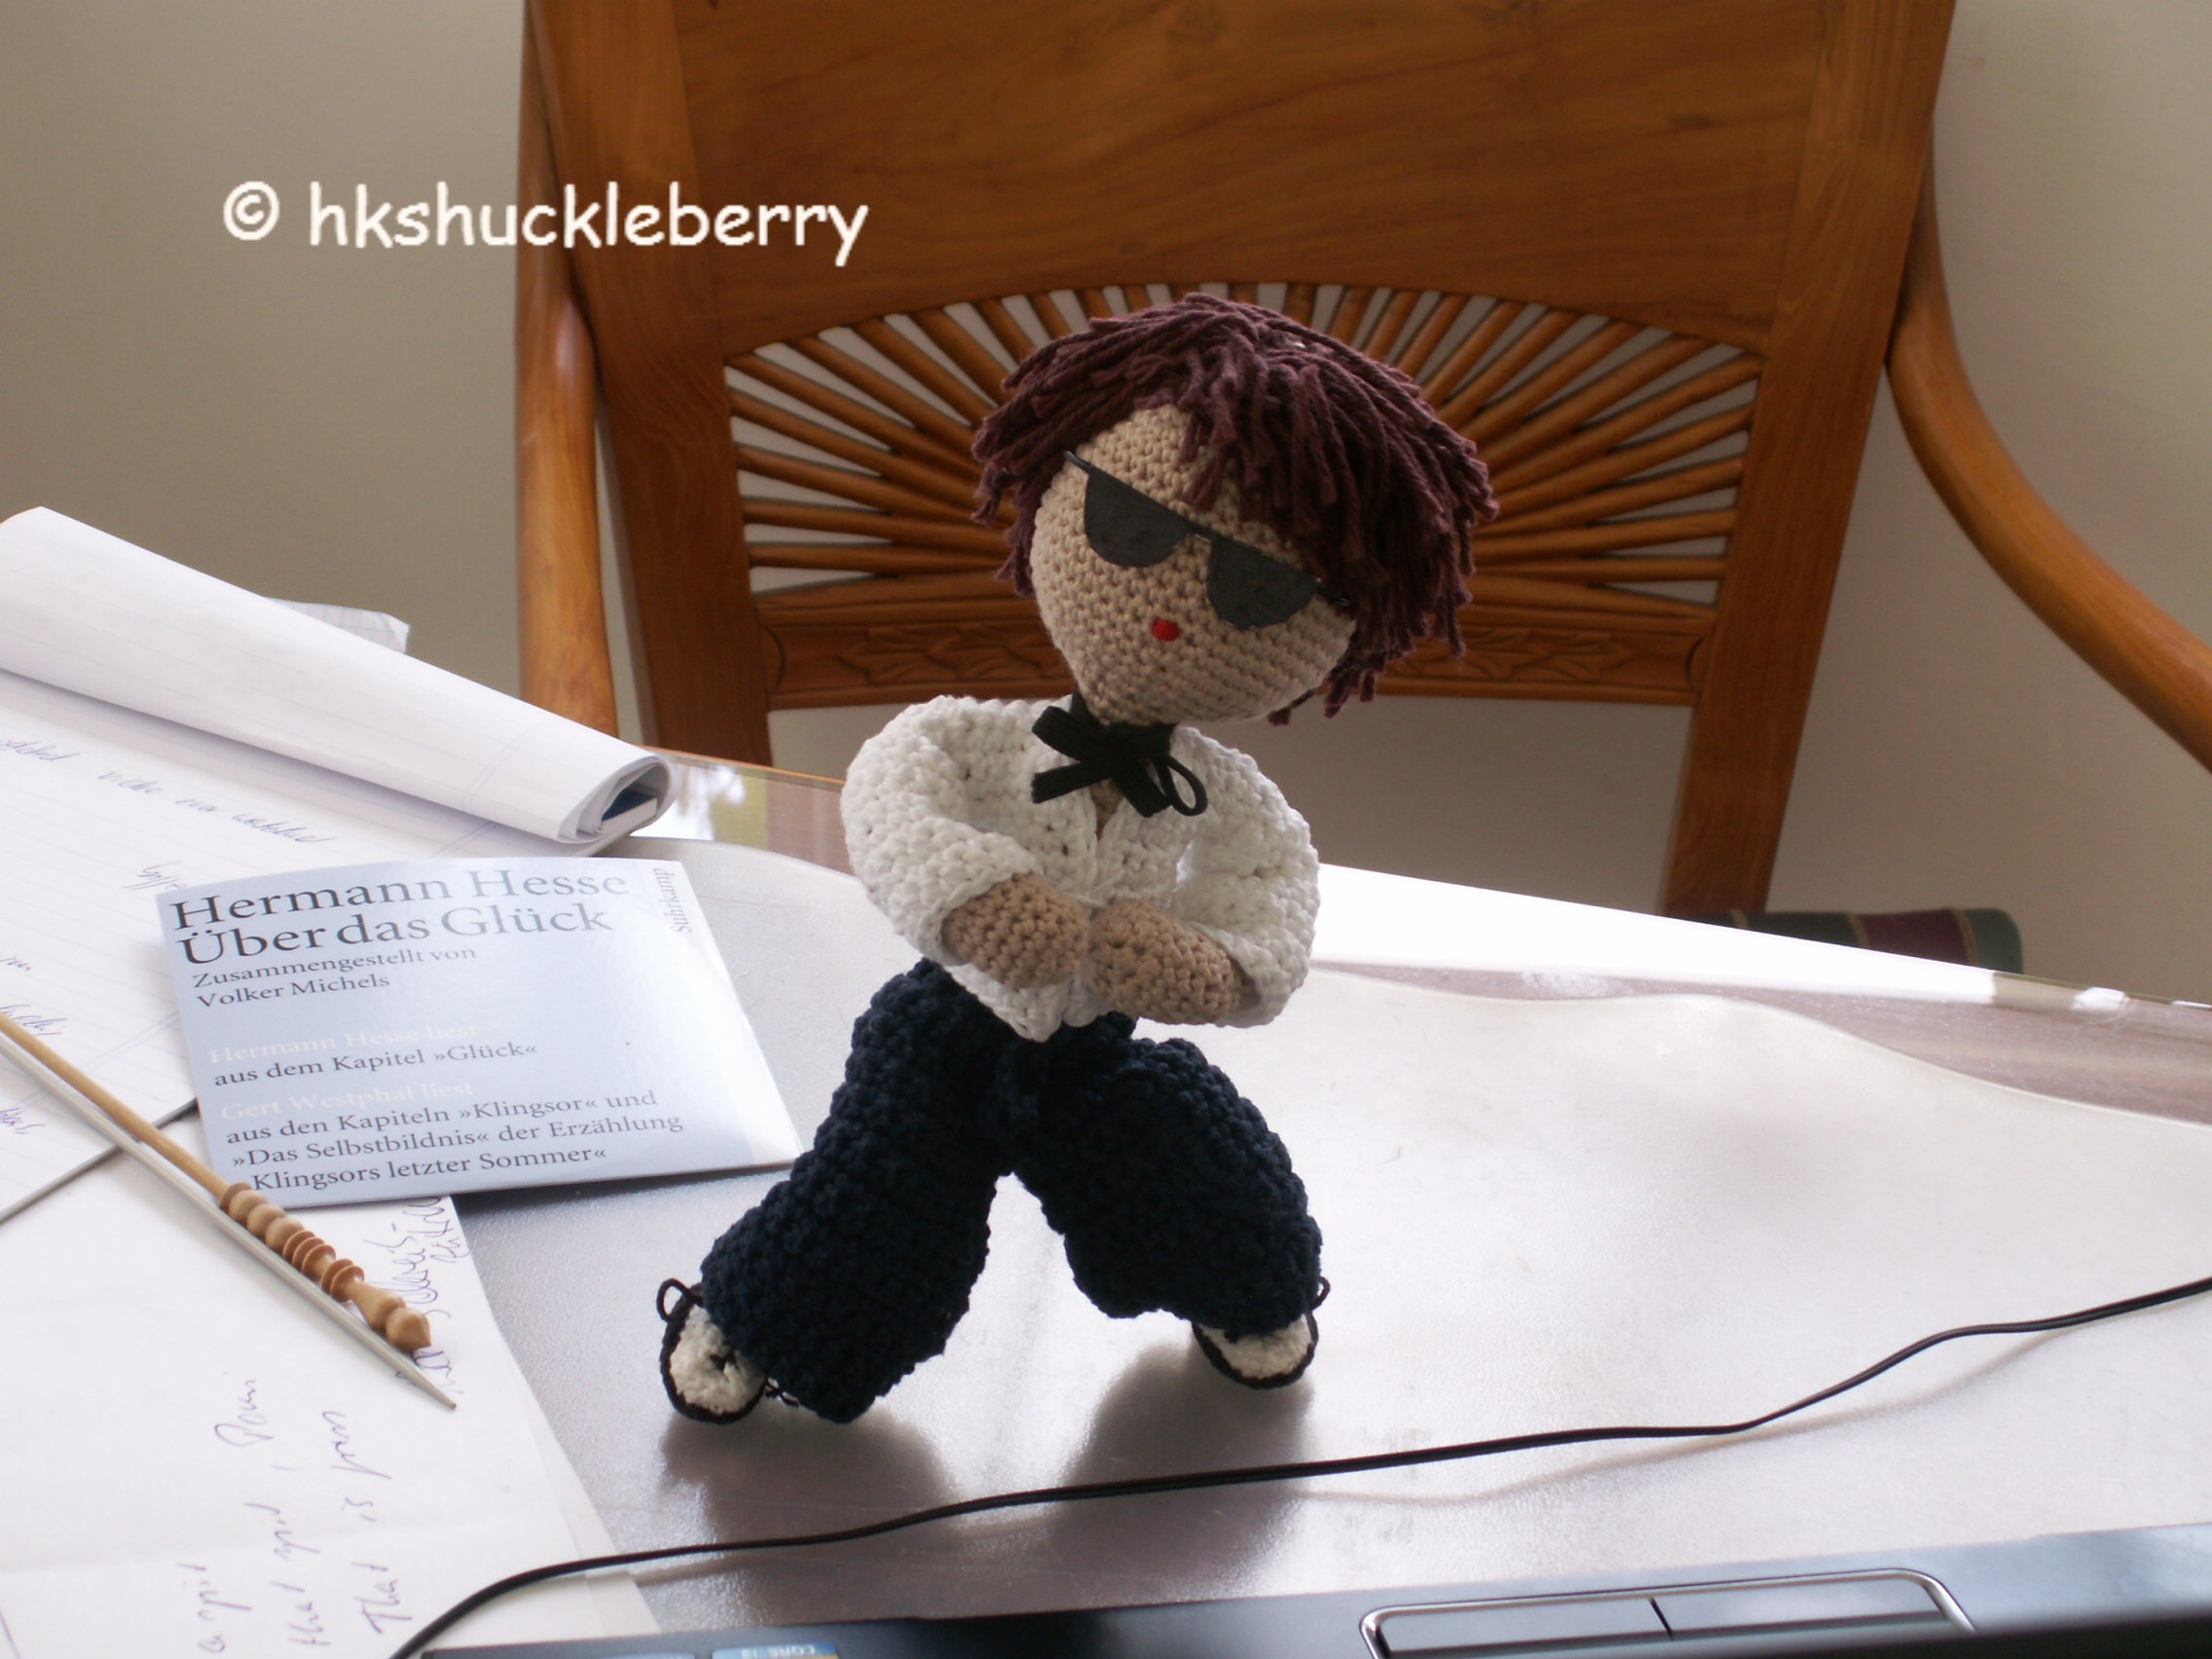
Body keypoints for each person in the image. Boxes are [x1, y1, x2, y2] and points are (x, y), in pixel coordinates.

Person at [660, 293, 1496, 1424]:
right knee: (883, 1202)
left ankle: (1250, 1293)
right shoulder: (979, 739)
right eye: (1132, 530)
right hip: (947, 1034)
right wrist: (974, 893)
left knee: (1199, 1168)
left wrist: (1211, 964)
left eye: (1255, 590)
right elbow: (895, 784)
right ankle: (752, 1322)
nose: (1170, 610)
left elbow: (1273, 889)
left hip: (1092, 1055)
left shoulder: (1225, 797)